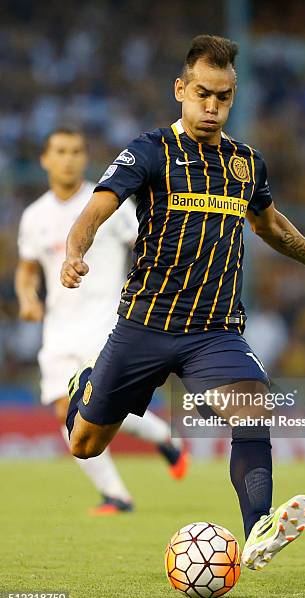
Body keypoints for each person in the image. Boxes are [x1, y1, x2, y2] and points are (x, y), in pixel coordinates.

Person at [61, 36, 305, 568]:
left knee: (253, 407)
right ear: (180, 89)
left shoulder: (246, 164)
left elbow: (270, 226)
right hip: (146, 323)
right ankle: (86, 386)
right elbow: (95, 211)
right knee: (85, 445)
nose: (211, 106)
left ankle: (257, 530)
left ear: (233, 98)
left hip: (216, 330)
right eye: (201, 93)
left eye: (223, 97)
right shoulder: (149, 151)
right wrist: (74, 252)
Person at [15, 128, 188, 515]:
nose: (69, 158)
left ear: (84, 157)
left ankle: (118, 493)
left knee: (85, 409)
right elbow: (27, 270)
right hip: (58, 333)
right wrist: (28, 298)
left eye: (76, 150)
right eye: (60, 150)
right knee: (70, 412)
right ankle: (154, 450)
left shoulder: (109, 206)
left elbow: (148, 246)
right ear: (45, 159)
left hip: (106, 324)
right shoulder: (34, 216)